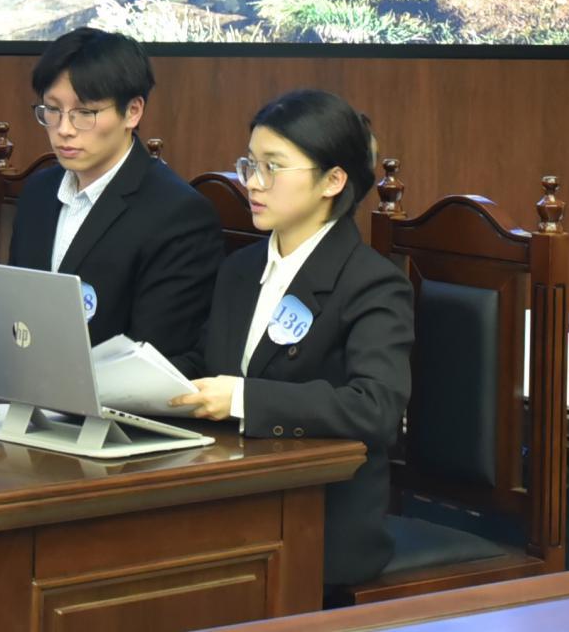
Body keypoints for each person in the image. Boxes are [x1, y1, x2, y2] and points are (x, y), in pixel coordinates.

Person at [170, 88, 413, 588]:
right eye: (249, 164)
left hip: (320, 516)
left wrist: (242, 398)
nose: (252, 183)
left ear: (333, 181)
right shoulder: (240, 268)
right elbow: (208, 360)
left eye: (273, 168)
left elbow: (375, 407)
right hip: (232, 488)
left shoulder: (372, 282)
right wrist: (136, 379)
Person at [8, 27, 223, 361]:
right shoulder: (39, 191)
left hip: (115, 390)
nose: (64, 129)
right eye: (52, 110)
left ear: (133, 111)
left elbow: (157, 357)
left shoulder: (178, 215)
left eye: (84, 113)